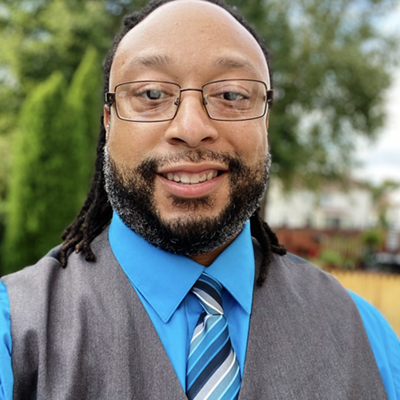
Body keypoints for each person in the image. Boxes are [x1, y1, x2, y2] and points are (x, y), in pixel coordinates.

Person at [0, 0, 399, 399]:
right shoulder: (15, 333)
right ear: (109, 120)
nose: (191, 128)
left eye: (231, 94)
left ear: (265, 119)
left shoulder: (366, 337)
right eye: (151, 93)